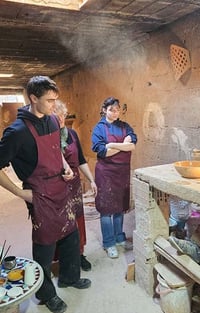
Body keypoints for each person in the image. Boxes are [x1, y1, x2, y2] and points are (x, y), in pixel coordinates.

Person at [0, 76, 91, 313]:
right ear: (33, 98)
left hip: (61, 187)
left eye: (55, 100)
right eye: (49, 100)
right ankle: (46, 293)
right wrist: (20, 192)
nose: (53, 105)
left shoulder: (51, 121)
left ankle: (70, 277)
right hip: (40, 193)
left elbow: (55, 149)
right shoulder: (16, 132)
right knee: (45, 245)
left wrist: (65, 165)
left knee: (70, 236)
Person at [54, 100, 97, 271]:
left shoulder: (71, 134)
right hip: (58, 185)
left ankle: (79, 254)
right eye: (56, 116)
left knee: (77, 219)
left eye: (63, 115)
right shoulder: (46, 137)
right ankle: (62, 258)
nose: (61, 119)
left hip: (75, 185)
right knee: (62, 221)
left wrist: (92, 180)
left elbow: (81, 160)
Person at [91, 97, 137, 258]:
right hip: (106, 173)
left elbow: (132, 145)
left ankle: (119, 238)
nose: (115, 112)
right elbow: (103, 151)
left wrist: (112, 145)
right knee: (106, 209)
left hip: (122, 172)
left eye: (117, 109)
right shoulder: (99, 129)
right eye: (111, 109)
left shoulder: (125, 126)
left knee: (119, 207)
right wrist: (122, 147)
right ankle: (109, 242)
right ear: (104, 110)